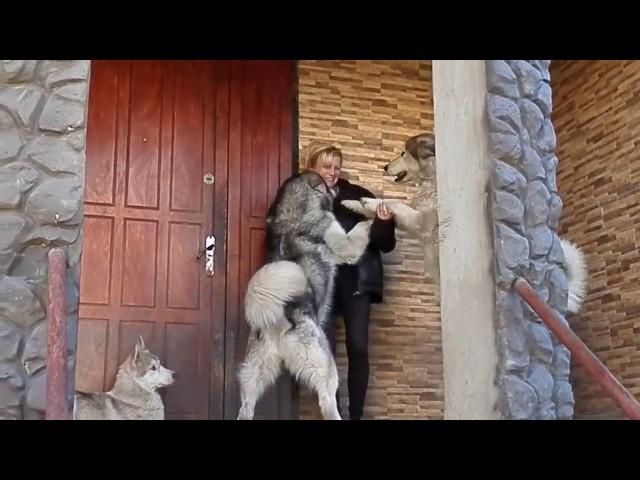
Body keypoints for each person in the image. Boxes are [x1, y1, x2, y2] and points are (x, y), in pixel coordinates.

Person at [303, 141, 396, 420]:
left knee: (358, 347)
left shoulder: (357, 196)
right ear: (311, 167)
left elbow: (385, 243)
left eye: (336, 167)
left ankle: (356, 416)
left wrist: (384, 222)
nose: (332, 172)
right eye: (326, 167)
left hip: (355, 279)